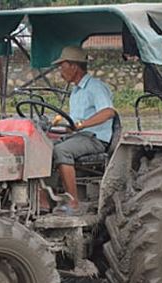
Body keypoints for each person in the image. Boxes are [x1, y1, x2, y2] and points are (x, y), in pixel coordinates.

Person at [49, 46, 116, 216]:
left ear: (74, 66)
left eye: (62, 67)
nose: (60, 72)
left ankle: (73, 203)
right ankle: (45, 201)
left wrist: (82, 125)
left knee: (61, 150)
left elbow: (108, 112)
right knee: (43, 146)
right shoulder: (76, 91)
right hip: (80, 136)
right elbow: (74, 122)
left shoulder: (95, 87)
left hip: (95, 138)